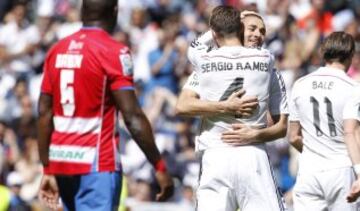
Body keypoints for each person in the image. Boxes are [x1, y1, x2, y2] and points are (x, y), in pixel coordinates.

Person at [37, 0, 174, 210]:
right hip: (97, 162)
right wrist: (159, 165)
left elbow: (44, 113)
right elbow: (132, 116)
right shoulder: (114, 52)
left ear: (82, 11)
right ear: (115, 11)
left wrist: (47, 168)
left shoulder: (57, 50)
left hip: (62, 161)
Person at [179, 6, 287, 211]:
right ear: (239, 29)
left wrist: (256, 134)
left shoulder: (204, 61)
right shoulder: (267, 60)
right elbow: (183, 105)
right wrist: (226, 106)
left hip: (224, 153)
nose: (258, 34)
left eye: (262, 31)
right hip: (246, 157)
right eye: (252, 28)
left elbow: (282, 127)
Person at [288, 32, 360, 210]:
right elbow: (350, 133)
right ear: (350, 55)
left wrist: (316, 152)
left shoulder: (300, 84)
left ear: (323, 53)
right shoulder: (353, 88)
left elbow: (293, 137)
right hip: (341, 170)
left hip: (308, 171)